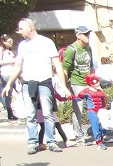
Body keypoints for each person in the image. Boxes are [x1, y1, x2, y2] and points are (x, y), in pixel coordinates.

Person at [1, 18, 68, 154]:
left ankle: (51, 142)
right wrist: (8, 84)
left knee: (48, 114)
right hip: (28, 83)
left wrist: (64, 86)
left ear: (30, 27)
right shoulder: (22, 45)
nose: (19, 32)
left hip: (44, 82)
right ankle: (33, 143)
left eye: (21, 28)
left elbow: (57, 64)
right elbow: (18, 66)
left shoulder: (46, 42)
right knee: (30, 115)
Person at [62, 25, 94, 145]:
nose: (87, 36)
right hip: (77, 83)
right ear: (78, 35)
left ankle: (97, 133)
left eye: (88, 34)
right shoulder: (71, 49)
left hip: (89, 83)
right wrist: (66, 87)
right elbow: (65, 69)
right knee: (78, 111)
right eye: (85, 34)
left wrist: (95, 82)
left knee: (94, 109)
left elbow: (91, 66)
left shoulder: (88, 48)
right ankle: (79, 136)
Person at [75, 73, 108, 149]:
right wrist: (70, 97)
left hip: (101, 110)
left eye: (97, 81)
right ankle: (99, 142)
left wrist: (104, 109)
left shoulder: (100, 91)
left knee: (104, 125)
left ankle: (101, 138)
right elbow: (78, 98)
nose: (97, 83)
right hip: (92, 111)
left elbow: (103, 101)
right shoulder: (86, 91)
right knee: (95, 126)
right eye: (95, 82)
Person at [1, 33, 19, 120]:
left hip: (13, 73)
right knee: (9, 93)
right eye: (9, 41)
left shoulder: (11, 51)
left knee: (13, 93)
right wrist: (12, 60)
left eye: (12, 41)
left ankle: (11, 111)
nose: (11, 42)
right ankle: (9, 111)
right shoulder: (1, 50)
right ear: (4, 42)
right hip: (6, 73)